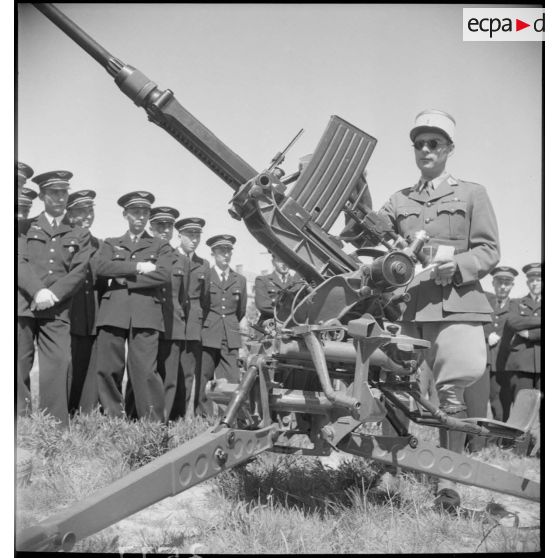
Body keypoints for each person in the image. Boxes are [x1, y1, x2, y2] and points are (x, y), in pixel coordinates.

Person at [379, 109, 500, 510]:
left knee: (451, 397)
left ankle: (449, 484)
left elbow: (489, 250)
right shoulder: (399, 200)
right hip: (411, 311)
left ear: (449, 149)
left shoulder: (471, 194)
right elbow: (366, 231)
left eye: (434, 144)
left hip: (457, 309)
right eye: (419, 144)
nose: (426, 150)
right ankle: (390, 474)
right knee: (395, 393)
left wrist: (460, 266)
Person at [17, 170, 92, 425]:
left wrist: (53, 294)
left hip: (57, 309)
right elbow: (19, 261)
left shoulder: (79, 234)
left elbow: (79, 271)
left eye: (64, 192)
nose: (60, 198)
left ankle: (53, 426)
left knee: (59, 365)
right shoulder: (23, 227)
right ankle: (19, 421)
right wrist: (37, 290)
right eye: (54, 193)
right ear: (42, 195)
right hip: (25, 306)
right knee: (17, 365)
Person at [92, 191, 172, 422]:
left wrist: (123, 278)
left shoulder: (160, 246)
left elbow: (163, 275)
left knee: (145, 372)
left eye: (145, 212)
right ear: (125, 214)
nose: (140, 217)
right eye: (135, 212)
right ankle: (113, 420)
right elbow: (100, 267)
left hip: (145, 314)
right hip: (113, 312)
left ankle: (151, 425)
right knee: (108, 369)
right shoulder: (111, 243)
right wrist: (138, 267)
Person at [129, 206, 190, 421]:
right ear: (151, 226)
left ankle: (160, 424)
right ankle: (134, 417)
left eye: (169, 225)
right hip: (146, 320)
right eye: (159, 225)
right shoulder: (143, 252)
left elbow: (183, 296)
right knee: (142, 372)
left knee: (169, 378)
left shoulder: (181, 259)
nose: (165, 230)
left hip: (171, 322)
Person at [64, 189, 108, 415]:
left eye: (90, 210)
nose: (88, 215)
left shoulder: (99, 244)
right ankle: (64, 412)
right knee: (68, 366)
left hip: (92, 313)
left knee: (90, 365)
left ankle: (86, 412)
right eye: (82, 210)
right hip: (68, 312)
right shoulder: (63, 238)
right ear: (70, 214)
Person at [464, 266, 517, 451]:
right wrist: (487, 335)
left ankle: (496, 444)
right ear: (493, 283)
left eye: (507, 283)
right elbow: (474, 319)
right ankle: (473, 441)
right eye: (499, 282)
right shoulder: (485, 299)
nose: (503, 287)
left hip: (502, 364)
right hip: (483, 360)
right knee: (476, 404)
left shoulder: (516, 305)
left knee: (499, 406)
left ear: (512, 286)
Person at [198, 235, 247, 417]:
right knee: (205, 377)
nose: (226, 255)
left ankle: (229, 417)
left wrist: (230, 325)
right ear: (213, 253)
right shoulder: (205, 275)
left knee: (232, 380)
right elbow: (202, 305)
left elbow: (240, 310)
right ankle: (204, 418)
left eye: (228, 251)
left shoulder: (239, 280)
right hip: (209, 332)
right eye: (221, 251)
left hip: (230, 334)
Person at [174, 217, 210, 416]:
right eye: (190, 235)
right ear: (179, 235)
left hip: (191, 328)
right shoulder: (170, 257)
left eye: (197, 235)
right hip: (171, 323)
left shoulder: (203, 264)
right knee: (169, 373)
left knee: (187, 374)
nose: (194, 239)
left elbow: (205, 300)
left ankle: (179, 418)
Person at [497, 263, 541, 420]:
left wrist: (531, 334)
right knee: (522, 410)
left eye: (539, 279)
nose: (535, 283)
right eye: (532, 280)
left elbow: (522, 326)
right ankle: (521, 445)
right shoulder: (516, 303)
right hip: (521, 366)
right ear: (528, 283)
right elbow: (513, 323)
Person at [254, 252, 305, 334]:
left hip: (293, 326)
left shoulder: (298, 283)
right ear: (273, 262)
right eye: (280, 260)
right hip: (268, 326)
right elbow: (262, 305)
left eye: (287, 261)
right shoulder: (262, 280)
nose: (284, 264)